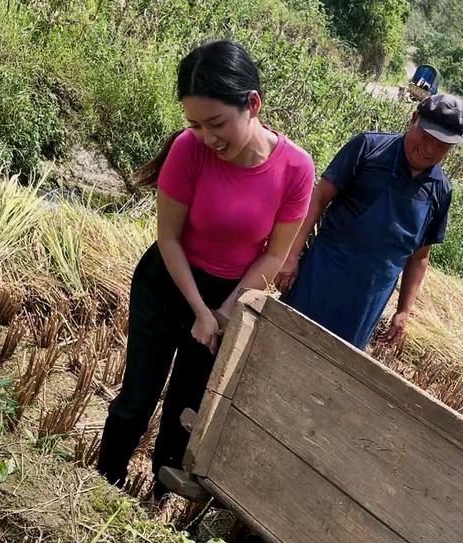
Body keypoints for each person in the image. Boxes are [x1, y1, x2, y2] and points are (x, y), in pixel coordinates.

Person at [98, 39, 315, 497]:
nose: (208, 138)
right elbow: (169, 239)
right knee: (136, 402)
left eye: (217, 123)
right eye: (195, 125)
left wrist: (224, 310)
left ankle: (154, 508)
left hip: (228, 296)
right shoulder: (188, 149)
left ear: (252, 104)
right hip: (168, 283)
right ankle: (102, 487)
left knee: (185, 412)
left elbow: (274, 255)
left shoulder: (295, 168)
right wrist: (199, 309)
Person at [277, 94, 463, 350]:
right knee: (283, 341)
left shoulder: (440, 190)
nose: (430, 149)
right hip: (320, 276)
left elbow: (420, 256)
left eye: (442, 145)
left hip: (367, 302)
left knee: (335, 368)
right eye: (427, 136)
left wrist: (404, 311)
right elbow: (318, 199)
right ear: (414, 119)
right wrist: (291, 255)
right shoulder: (368, 148)